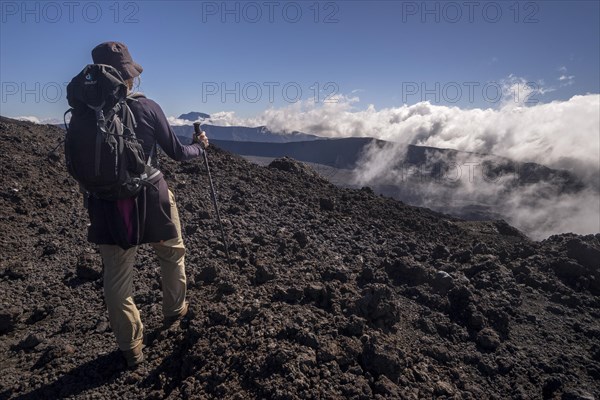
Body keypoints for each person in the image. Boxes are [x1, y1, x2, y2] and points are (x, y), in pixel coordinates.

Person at [80, 41, 208, 368]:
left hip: (107, 205)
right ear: (129, 75)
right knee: (171, 252)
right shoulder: (148, 107)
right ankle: (174, 312)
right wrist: (200, 148)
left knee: (117, 277)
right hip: (151, 198)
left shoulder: (84, 112)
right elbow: (177, 153)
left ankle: (130, 346)